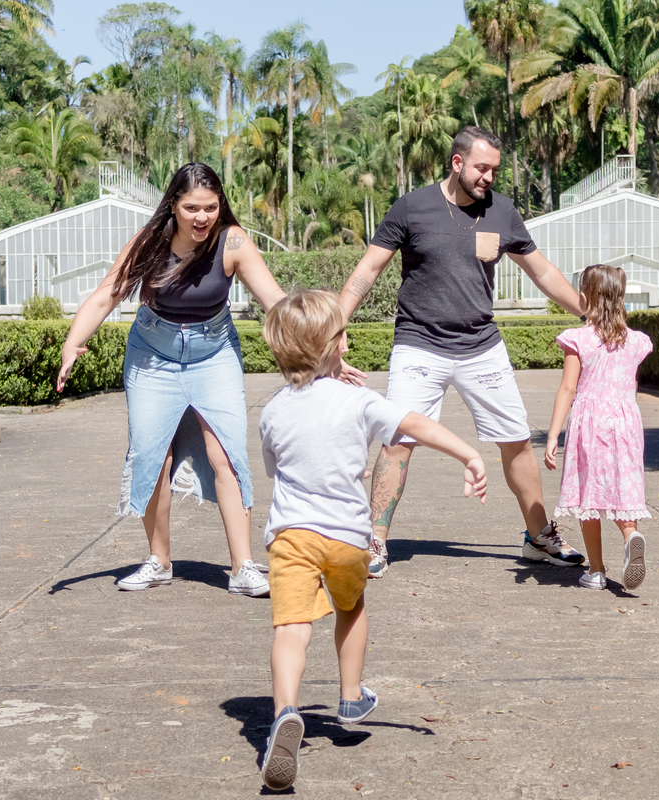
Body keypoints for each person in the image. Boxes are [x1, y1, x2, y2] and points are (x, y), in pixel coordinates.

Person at [257, 289, 487, 791]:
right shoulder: (359, 400)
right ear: (330, 348)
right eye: (342, 334)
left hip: (292, 536)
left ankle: (285, 712)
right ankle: (351, 696)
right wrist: (469, 454)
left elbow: (279, 470)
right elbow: (415, 425)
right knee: (351, 606)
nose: (349, 339)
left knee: (291, 628)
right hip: (346, 537)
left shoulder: (272, 411)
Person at [339, 125, 587, 579]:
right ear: (457, 163)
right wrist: (336, 321)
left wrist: (590, 313)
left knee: (516, 441)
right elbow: (369, 269)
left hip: (481, 346)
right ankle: (374, 540)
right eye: (481, 168)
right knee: (398, 441)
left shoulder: (503, 212)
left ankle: (539, 536)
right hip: (419, 343)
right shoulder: (412, 207)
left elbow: (543, 272)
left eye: (494, 168)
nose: (489, 177)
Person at [56, 163, 282, 598]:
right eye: (192, 207)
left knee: (227, 453)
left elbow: (274, 300)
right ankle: (158, 561)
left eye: (211, 207)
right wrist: (72, 343)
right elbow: (107, 294)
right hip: (152, 356)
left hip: (213, 353)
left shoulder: (232, 241)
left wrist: (323, 339)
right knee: (151, 454)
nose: (202, 217)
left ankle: (243, 567)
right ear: (173, 206)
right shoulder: (149, 243)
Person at [543, 265, 653, 591]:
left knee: (587, 493)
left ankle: (596, 570)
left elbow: (568, 389)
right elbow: (630, 385)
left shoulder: (579, 339)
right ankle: (631, 535)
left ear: (583, 297)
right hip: (626, 422)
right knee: (621, 489)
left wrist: (552, 435)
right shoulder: (635, 342)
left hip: (588, 422)